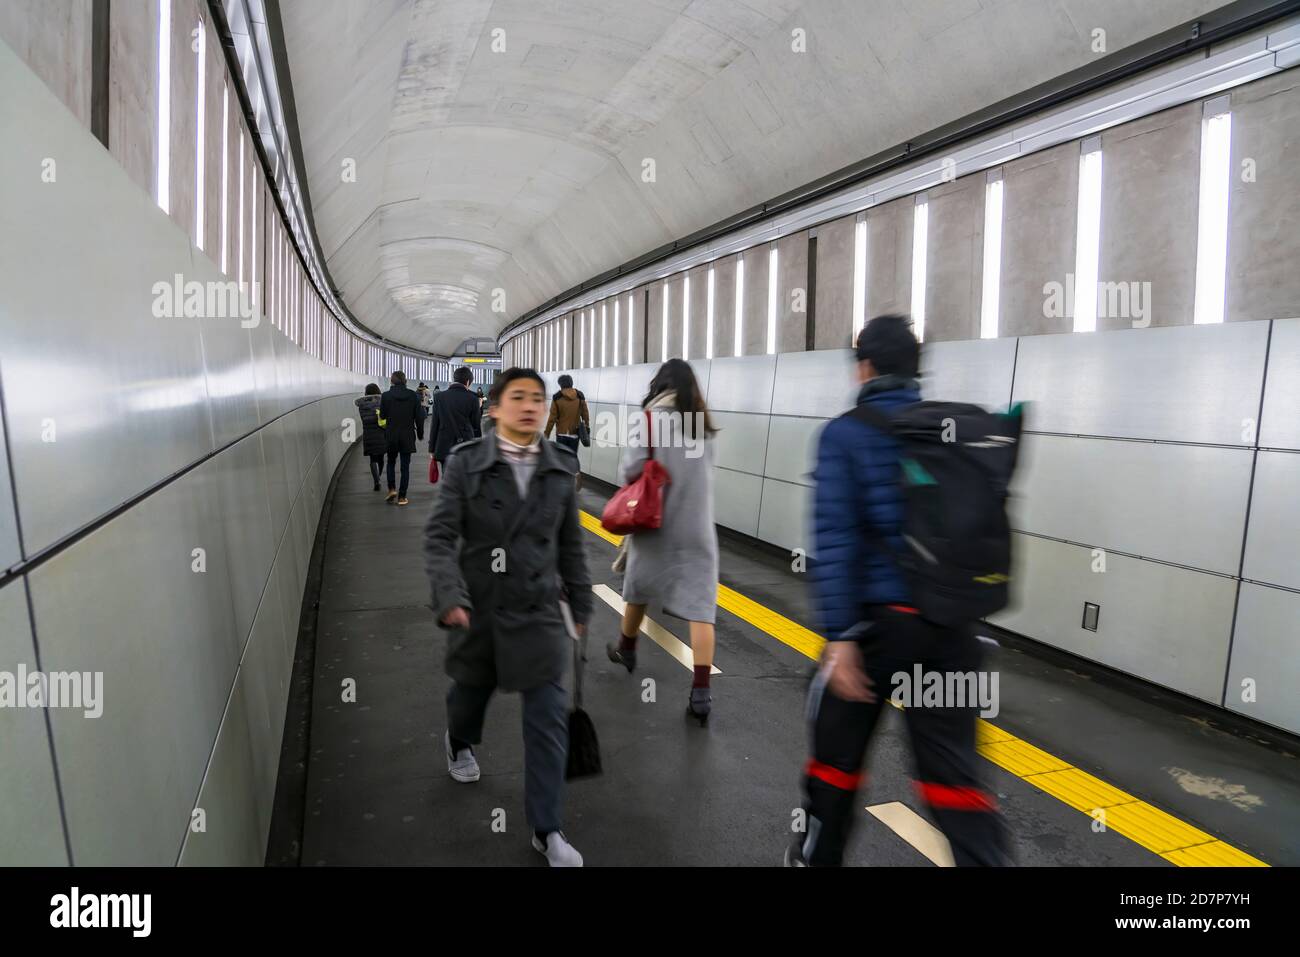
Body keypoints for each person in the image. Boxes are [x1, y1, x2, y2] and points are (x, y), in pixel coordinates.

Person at [786, 314, 1011, 867]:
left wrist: (839, 638)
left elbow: (836, 539)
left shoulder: (845, 433)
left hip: (876, 630)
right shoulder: (949, 433)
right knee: (953, 778)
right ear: (916, 370)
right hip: (950, 626)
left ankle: (816, 858)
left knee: (835, 764)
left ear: (864, 367)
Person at [423, 367, 593, 867]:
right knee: (470, 698)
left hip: (539, 612)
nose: (529, 406)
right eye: (517, 397)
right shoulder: (467, 463)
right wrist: (449, 595)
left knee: (546, 723)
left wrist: (581, 603)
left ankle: (547, 829)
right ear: (492, 408)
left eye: (537, 399)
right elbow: (438, 537)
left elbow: (571, 544)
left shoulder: (560, 466)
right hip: (478, 610)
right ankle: (457, 740)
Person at [605, 358, 719, 724]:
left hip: (657, 522)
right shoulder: (703, 425)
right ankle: (701, 693)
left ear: (660, 386)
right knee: (701, 607)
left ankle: (627, 647)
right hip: (698, 526)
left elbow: (630, 471)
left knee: (638, 586)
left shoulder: (651, 420)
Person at [428, 366, 482, 470]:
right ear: (467, 382)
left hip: (444, 446)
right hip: (466, 445)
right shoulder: (473, 398)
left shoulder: (439, 397)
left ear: (455, 379)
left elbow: (435, 424)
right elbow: (476, 425)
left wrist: (432, 448)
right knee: (465, 478)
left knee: (447, 477)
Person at [380, 370, 419, 505]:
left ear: (392, 381)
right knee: (405, 467)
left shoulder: (385, 396)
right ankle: (402, 497)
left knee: (391, 462)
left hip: (391, 434)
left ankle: (391, 489)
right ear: (405, 381)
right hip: (407, 435)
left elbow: (383, 416)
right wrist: (420, 433)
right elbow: (419, 416)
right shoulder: (413, 395)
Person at [543, 374, 590, 456]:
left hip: (561, 433)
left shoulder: (557, 397)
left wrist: (546, 434)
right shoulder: (580, 396)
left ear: (560, 384)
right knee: (572, 458)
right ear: (571, 383)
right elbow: (585, 415)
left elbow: (552, 419)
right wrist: (586, 428)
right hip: (575, 433)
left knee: (561, 459)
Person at [354, 383, 387, 491]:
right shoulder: (382, 402)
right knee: (381, 458)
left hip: (368, 434)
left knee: (373, 459)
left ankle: (376, 481)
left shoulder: (362, 406)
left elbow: (363, 418)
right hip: (381, 433)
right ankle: (379, 476)